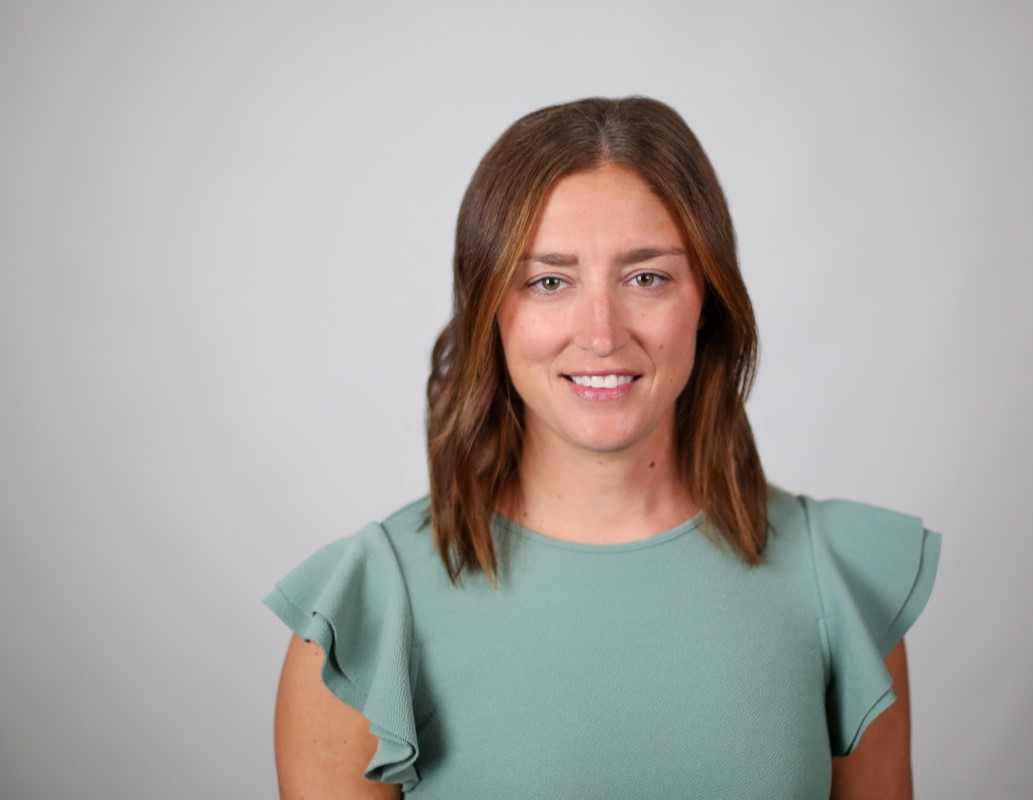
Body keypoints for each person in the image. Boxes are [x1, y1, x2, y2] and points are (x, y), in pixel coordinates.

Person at [265, 96, 941, 799]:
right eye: (548, 281)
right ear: (491, 308)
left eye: (646, 277)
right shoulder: (363, 620)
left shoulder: (840, 583)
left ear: (706, 300)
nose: (601, 334)